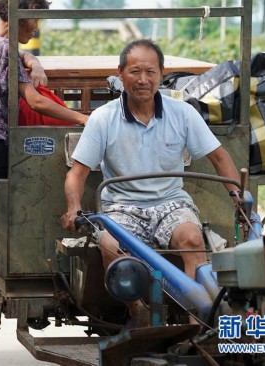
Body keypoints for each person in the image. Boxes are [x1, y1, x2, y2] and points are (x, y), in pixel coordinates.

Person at [60, 39, 242, 327]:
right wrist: (74, 207)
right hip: (122, 208)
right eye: (134, 72)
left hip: (171, 204)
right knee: (109, 244)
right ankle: (137, 311)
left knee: (193, 240)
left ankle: (194, 317)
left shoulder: (182, 113)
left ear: (161, 73)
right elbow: (78, 173)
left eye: (150, 72)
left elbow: (220, 158)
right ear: (120, 74)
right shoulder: (103, 119)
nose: (142, 80)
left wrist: (238, 198)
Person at [0, 0, 89, 179]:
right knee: (65, 162)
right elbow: (36, 101)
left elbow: (21, 54)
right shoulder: (6, 50)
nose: (36, 28)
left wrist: (34, 61)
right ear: (23, 15)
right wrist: (82, 118)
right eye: (35, 20)